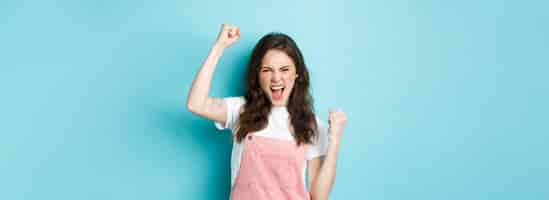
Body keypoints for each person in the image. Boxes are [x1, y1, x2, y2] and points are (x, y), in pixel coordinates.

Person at [186, 24, 347, 200]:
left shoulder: (312, 125)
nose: (276, 78)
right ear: (257, 75)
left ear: (297, 73)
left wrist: (334, 140)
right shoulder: (240, 110)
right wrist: (219, 47)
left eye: (284, 70)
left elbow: (319, 196)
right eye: (267, 70)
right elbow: (196, 104)